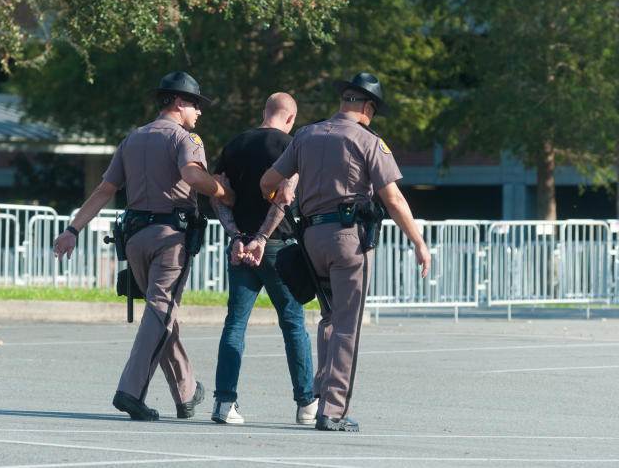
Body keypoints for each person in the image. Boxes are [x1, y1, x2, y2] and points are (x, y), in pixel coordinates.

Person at [53, 71, 234, 421]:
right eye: (196, 104)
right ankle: (130, 391)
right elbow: (195, 177)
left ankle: (186, 392)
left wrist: (72, 229)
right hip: (171, 238)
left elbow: (104, 191)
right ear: (180, 103)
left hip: (135, 238)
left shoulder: (132, 139)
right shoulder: (187, 139)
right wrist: (225, 191)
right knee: (160, 312)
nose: (199, 112)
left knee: (161, 314)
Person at [259, 72, 430, 433]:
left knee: (329, 318)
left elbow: (268, 183)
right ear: (368, 107)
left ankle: (322, 395)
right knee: (347, 326)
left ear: (343, 102)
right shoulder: (368, 141)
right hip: (348, 239)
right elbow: (393, 198)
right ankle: (333, 409)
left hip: (310, 239)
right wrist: (417, 240)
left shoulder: (306, 134)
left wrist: (282, 201)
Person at [208, 92, 317, 426]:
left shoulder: (234, 145)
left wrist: (237, 236)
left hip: (240, 249)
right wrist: (261, 238)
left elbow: (216, 194)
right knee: (293, 323)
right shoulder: (292, 145)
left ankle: (224, 403)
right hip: (277, 247)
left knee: (235, 323)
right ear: (290, 118)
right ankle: (306, 405)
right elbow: (285, 195)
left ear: (264, 111)